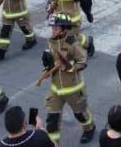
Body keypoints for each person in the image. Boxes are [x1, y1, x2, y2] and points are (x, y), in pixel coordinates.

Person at [40, 12, 96, 144]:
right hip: (56, 90)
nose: (53, 31)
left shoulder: (73, 44)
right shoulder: (51, 42)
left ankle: (89, 128)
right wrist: (48, 66)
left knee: (81, 114)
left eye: (56, 28)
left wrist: (70, 67)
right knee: (52, 119)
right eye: (52, 28)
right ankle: (53, 143)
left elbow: (82, 61)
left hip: (73, 89)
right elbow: (52, 61)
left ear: (64, 29)